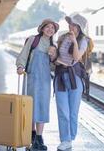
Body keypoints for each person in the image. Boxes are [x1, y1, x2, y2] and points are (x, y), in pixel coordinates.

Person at [16, 19, 59, 151]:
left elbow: (53, 67)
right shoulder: (33, 40)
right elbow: (24, 54)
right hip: (33, 78)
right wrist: (20, 66)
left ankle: (39, 137)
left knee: (42, 107)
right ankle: (32, 135)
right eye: (48, 27)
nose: (50, 29)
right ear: (42, 28)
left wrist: (53, 57)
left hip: (45, 80)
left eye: (53, 28)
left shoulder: (53, 45)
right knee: (31, 106)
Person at [54, 13, 88, 151]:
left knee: (73, 111)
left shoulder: (83, 40)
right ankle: (65, 139)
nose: (70, 26)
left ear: (79, 27)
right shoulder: (62, 37)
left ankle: (70, 138)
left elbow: (76, 57)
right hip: (61, 76)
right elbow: (57, 54)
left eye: (73, 24)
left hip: (75, 78)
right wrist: (53, 56)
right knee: (62, 110)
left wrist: (74, 41)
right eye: (69, 23)